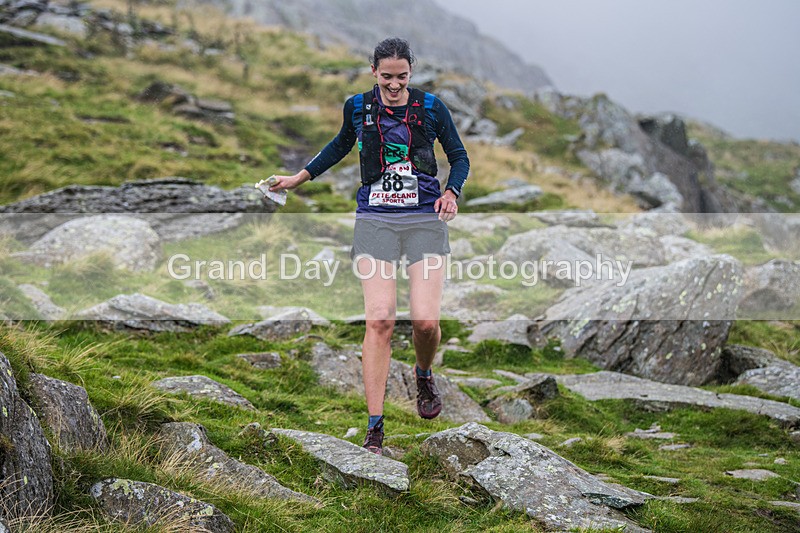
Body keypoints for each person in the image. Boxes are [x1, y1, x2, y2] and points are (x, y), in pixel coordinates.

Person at [268, 37, 469, 455]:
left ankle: (424, 372)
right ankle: (375, 427)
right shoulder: (358, 107)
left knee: (425, 323)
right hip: (375, 220)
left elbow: (459, 156)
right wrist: (297, 178)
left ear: (410, 74)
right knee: (379, 320)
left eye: (402, 78)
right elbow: (340, 145)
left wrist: (451, 192)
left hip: (424, 222)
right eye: (387, 77)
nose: (394, 86)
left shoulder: (431, 108)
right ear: (373, 71)